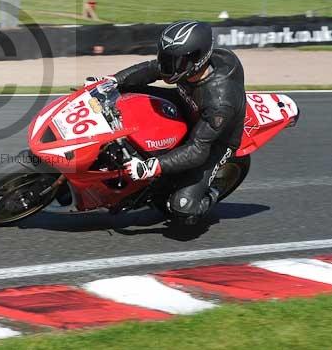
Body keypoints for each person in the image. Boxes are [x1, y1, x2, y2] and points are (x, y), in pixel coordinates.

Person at [91, 20, 246, 226]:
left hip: (215, 143)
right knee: (124, 93)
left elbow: (197, 150)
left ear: (197, 60)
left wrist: (152, 166)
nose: (166, 66)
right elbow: (152, 69)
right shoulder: (187, 65)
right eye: (166, 58)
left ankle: (212, 192)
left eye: (174, 61)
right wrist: (112, 81)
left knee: (182, 209)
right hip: (186, 103)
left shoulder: (220, 101)